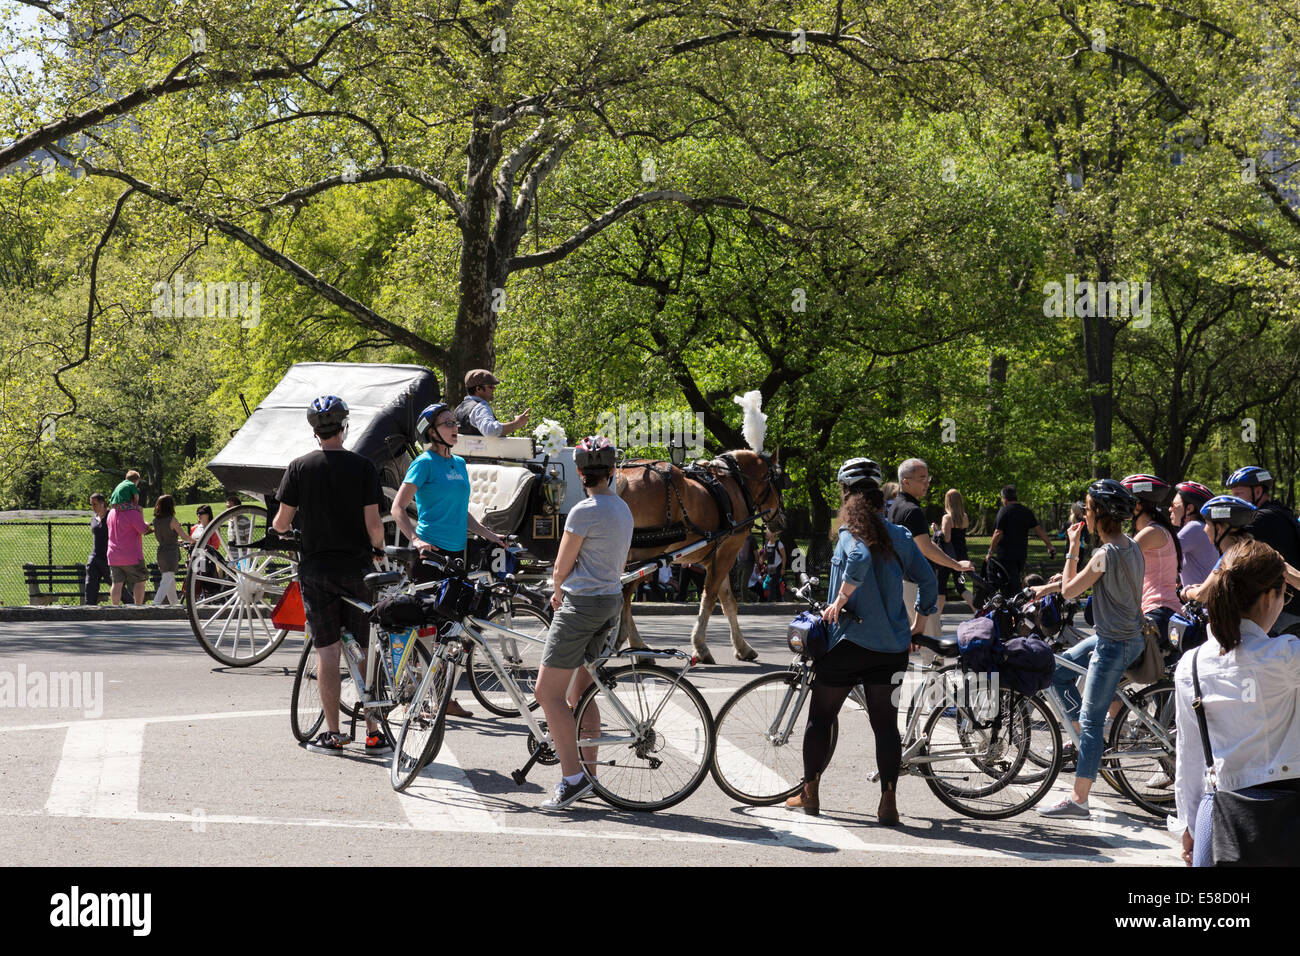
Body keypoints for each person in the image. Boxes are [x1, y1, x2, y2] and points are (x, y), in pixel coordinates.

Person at [786, 457, 935, 824]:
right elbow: (928, 580)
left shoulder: (851, 534)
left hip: (847, 644)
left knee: (821, 719)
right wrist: (919, 619)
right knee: (885, 725)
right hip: (891, 649)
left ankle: (810, 792)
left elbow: (861, 556)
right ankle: (888, 803)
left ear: (847, 495)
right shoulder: (900, 536)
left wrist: (840, 598)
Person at [1171, 539, 1300, 866]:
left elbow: (1189, 757)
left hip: (1218, 817)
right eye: (1285, 594)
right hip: (1287, 816)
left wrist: (1189, 825)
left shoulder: (1192, 664)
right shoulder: (1286, 656)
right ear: (1270, 595)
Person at [272, 395, 388, 754]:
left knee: (327, 652)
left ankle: (334, 733)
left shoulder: (299, 467)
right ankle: (373, 731)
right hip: (357, 568)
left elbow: (280, 523)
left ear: (314, 430)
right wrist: (378, 549)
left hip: (317, 570)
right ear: (344, 426)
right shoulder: (363, 467)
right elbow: (374, 525)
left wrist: (287, 530)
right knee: (365, 648)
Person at [1031, 479, 1146, 818]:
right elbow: (1087, 580)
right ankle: (1087, 746)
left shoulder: (1104, 553)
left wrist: (1071, 545)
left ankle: (1079, 799)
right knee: (1058, 672)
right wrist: (1045, 587)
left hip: (1115, 645)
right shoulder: (1130, 546)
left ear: (1100, 515)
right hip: (1122, 637)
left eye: (1088, 509)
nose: (1085, 514)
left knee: (1092, 721)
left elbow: (1070, 591)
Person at [534, 436, 635, 810]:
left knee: (547, 694)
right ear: (610, 471)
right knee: (583, 690)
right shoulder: (623, 510)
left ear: (579, 473)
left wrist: (557, 590)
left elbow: (562, 566)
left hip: (580, 606)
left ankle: (572, 778)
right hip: (609, 601)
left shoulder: (583, 511)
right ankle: (589, 774)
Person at [391, 401, 510, 718]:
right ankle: (411, 698)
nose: (454, 427)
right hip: (431, 555)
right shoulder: (424, 463)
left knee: (452, 630)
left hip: (458, 555)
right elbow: (398, 508)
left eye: (455, 422)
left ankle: (444, 697)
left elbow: (462, 512)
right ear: (431, 432)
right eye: (447, 423)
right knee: (424, 629)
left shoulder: (458, 463)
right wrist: (416, 539)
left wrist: (489, 534)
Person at [888, 459, 972, 635]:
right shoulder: (912, 510)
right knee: (933, 648)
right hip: (915, 584)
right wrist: (956, 565)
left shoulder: (896, 506)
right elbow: (926, 548)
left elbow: (924, 543)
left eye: (928, 478)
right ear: (906, 481)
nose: (927, 483)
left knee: (910, 642)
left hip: (900, 580)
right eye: (922, 478)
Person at [1226, 466, 1300, 633]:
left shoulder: (1265, 517)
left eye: (1239, 494)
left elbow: (1227, 534)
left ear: (1258, 491)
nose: (1234, 500)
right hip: (1284, 606)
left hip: (1286, 612)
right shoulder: (1279, 512)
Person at [1120, 474, 1182, 645]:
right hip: (1155, 611)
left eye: (1124, 502)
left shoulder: (1151, 532)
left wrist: (1060, 585)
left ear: (1138, 505)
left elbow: (1113, 563)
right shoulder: (1150, 530)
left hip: (1158, 613)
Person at [986, 484, 1057, 599]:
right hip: (1021, 554)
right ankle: (1015, 601)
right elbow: (1038, 530)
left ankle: (1012, 605)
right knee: (1015, 578)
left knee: (1008, 583)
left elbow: (998, 532)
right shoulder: (1026, 511)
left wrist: (990, 551)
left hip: (1005, 554)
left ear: (1004, 498)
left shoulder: (1004, 511)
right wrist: (1049, 546)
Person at [107, 480, 152, 605]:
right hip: (131, 556)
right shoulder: (132, 513)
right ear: (131, 497)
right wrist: (146, 522)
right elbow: (143, 530)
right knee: (140, 580)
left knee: (117, 584)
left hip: (113, 555)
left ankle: (114, 608)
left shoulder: (111, 512)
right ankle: (137, 607)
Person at [931, 488, 975, 615]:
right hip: (962, 556)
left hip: (947, 558)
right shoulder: (965, 517)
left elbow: (947, 538)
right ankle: (977, 611)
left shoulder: (947, 518)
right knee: (961, 587)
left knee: (941, 588)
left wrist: (936, 531)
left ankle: (937, 618)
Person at [454, 369, 530, 437]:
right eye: (490, 386)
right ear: (478, 389)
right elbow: (490, 431)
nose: (494, 388)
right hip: (484, 452)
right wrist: (517, 423)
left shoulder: (459, 408)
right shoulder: (481, 407)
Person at [1170, 480, 1217, 588]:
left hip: (1202, 603)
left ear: (1189, 508)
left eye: (1173, 505)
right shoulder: (1202, 527)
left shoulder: (1195, 527)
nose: (1170, 509)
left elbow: (1162, 551)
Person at [150, 494, 186, 605]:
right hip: (171, 553)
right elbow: (183, 536)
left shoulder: (156, 520)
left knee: (170, 582)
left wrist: (175, 541)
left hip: (161, 551)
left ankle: (175, 605)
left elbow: (166, 536)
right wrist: (195, 540)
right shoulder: (172, 519)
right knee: (166, 580)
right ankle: (155, 604)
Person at [84, 493, 110, 605]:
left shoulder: (111, 516)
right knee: (90, 585)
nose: (93, 507)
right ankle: (89, 609)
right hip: (95, 556)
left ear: (102, 503)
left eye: (95, 504)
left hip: (108, 557)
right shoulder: (93, 519)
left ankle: (132, 606)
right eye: (91, 504)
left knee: (115, 584)